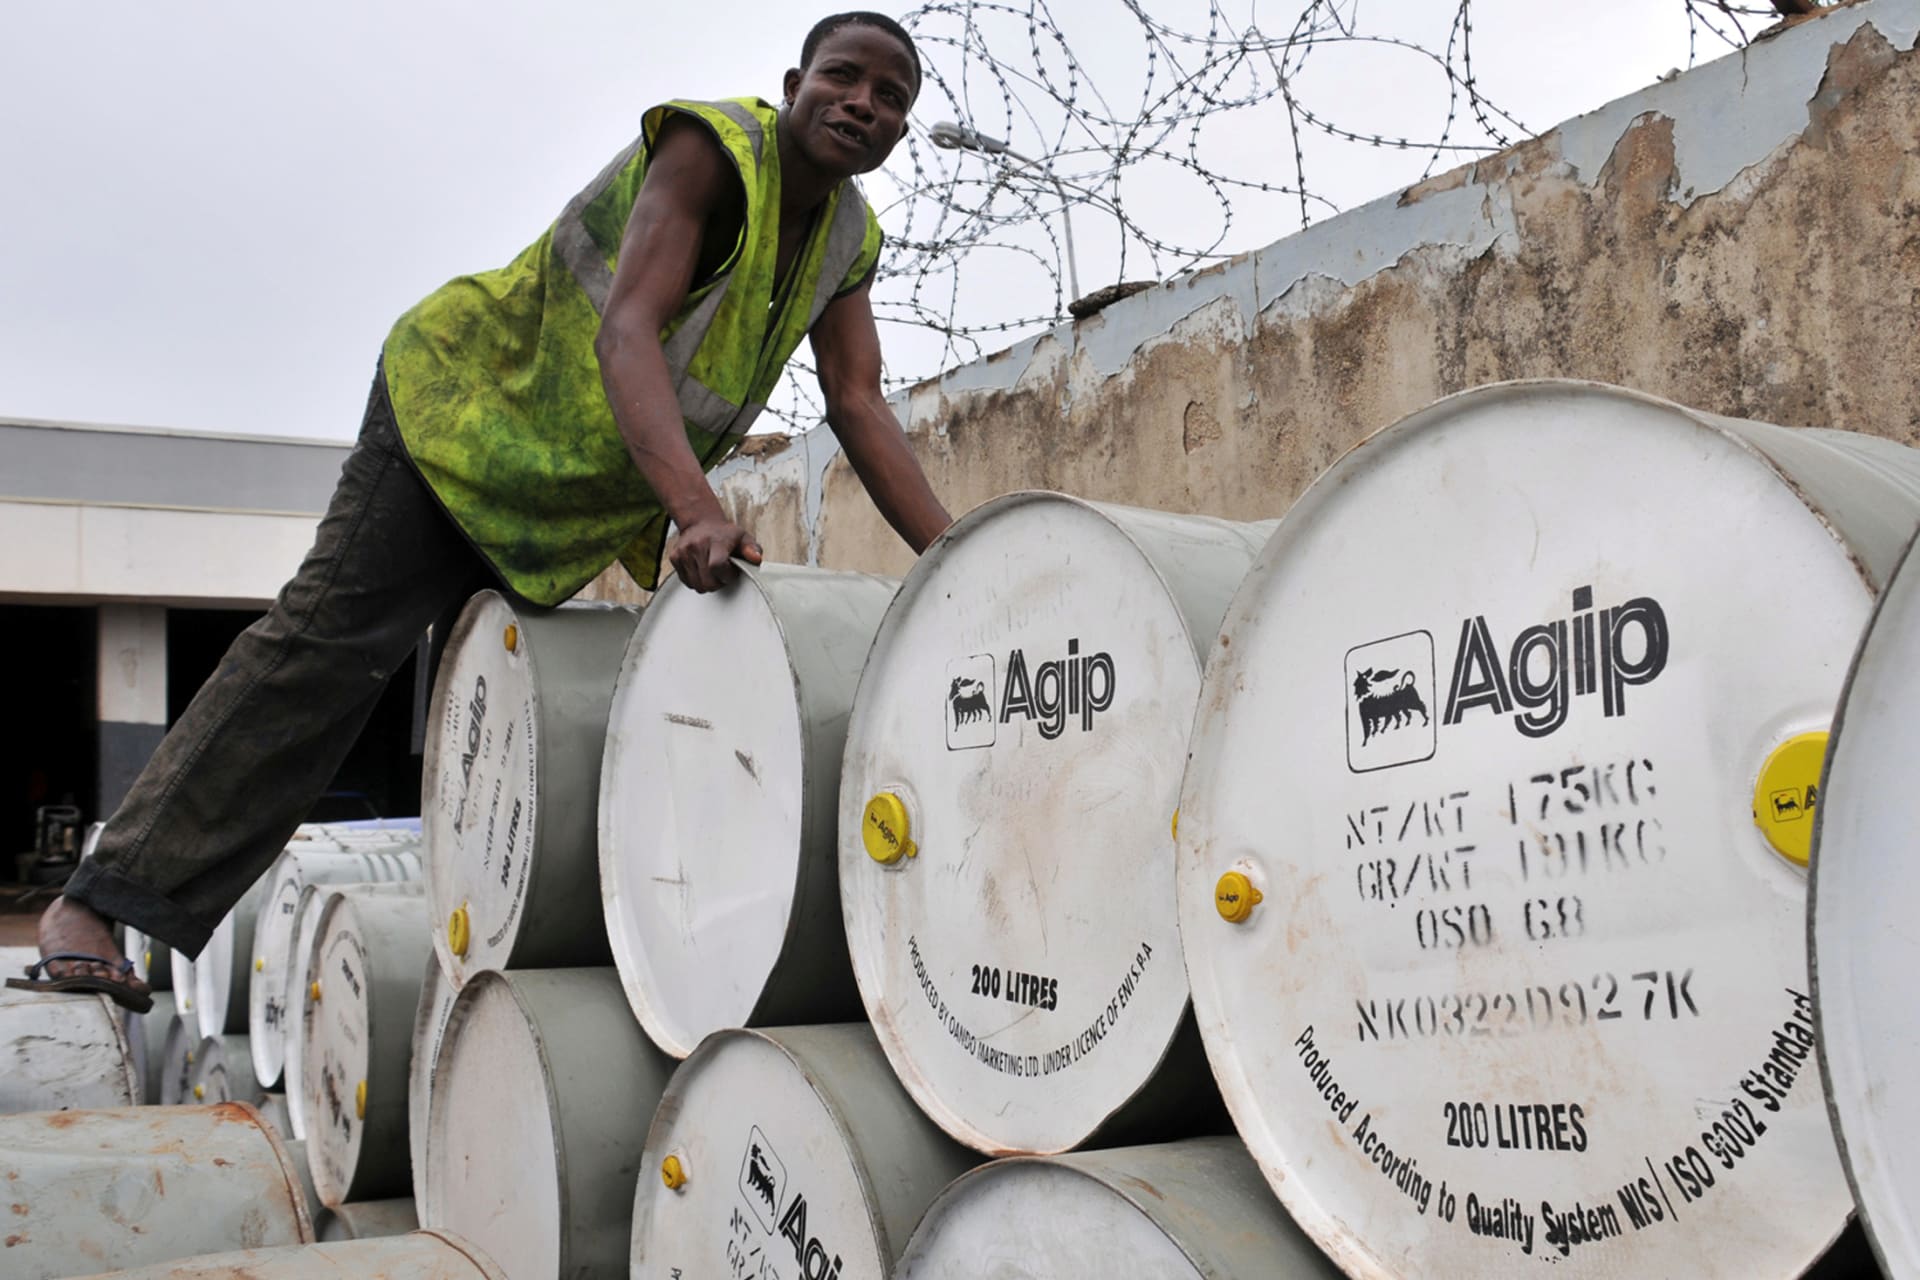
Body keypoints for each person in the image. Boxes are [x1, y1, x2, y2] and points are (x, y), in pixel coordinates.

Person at [11, 11, 951, 1011]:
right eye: (843, 76)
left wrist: (958, 551)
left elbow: (856, 399)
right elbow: (626, 328)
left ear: (901, 128)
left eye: (890, 96)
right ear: (795, 81)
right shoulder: (711, 149)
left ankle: (476, 972)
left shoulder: (848, 236)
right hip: (459, 417)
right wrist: (695, 510)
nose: (862, 102)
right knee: (324, 656)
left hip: (550, 494)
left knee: (503, 715)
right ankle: (100, 902)